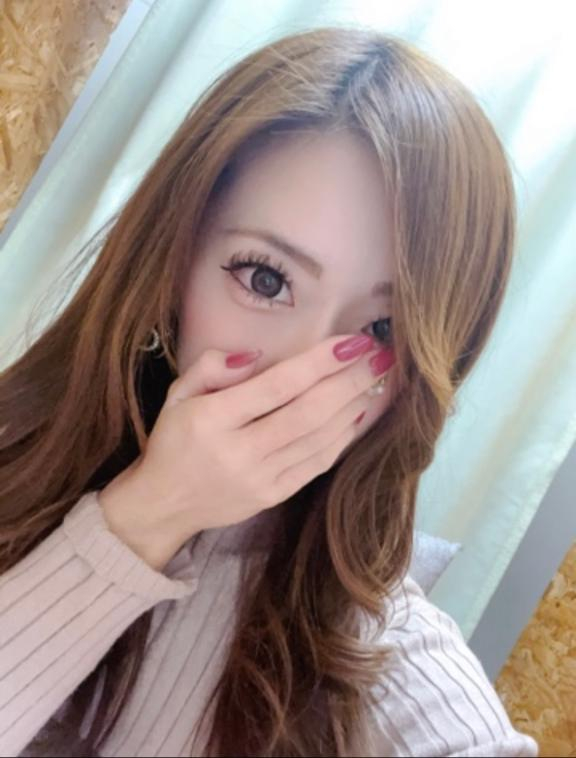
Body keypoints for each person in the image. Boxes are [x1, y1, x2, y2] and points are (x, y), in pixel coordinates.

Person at [0, 25, 539, 758]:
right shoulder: (15, 453)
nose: (299, 372)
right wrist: (144, 519)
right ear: (175, 261)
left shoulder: (377, 648)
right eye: (265, 278)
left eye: (383, 328)